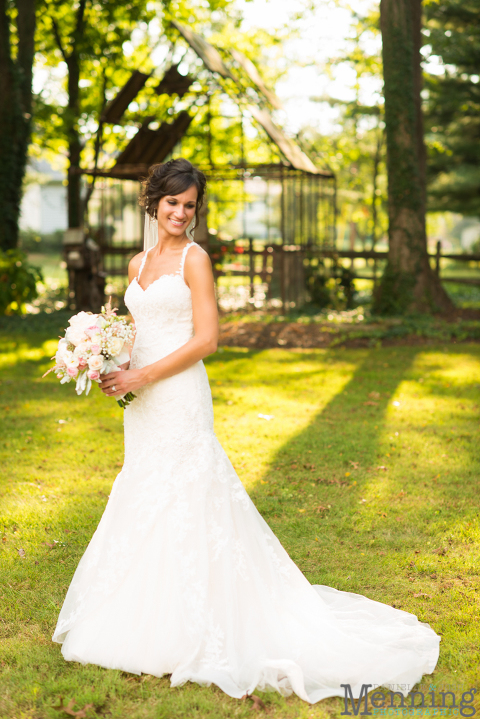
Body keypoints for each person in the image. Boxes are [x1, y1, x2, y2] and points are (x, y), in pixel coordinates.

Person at [53, 158, 440, 704]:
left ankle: (199, 622)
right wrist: (105, 358)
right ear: (153, 203)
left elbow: (207, 339)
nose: (180, 214)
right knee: (145, 487)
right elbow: (137, 329)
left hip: (180, 393)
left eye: (189, 206)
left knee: (187, 492)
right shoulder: (139, 262)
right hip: (143, 402)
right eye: (172, 203)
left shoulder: (195, 259)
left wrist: (143, 371)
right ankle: (144, 612)